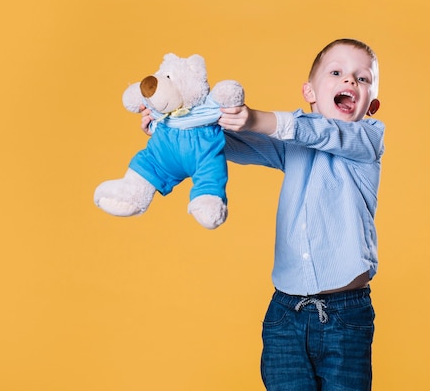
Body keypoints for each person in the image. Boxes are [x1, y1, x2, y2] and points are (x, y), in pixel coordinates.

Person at [142, 38, 384, 391]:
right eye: (337, 73)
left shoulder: (368, 140)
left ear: (372, 104)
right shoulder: (293, 148)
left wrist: (256, 117)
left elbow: (315, 130)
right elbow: (233, 142)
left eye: (362, 79)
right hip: (285, 314)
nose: (350, 82)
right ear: (310, 91)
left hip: (346, 315)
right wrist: (174, 125)